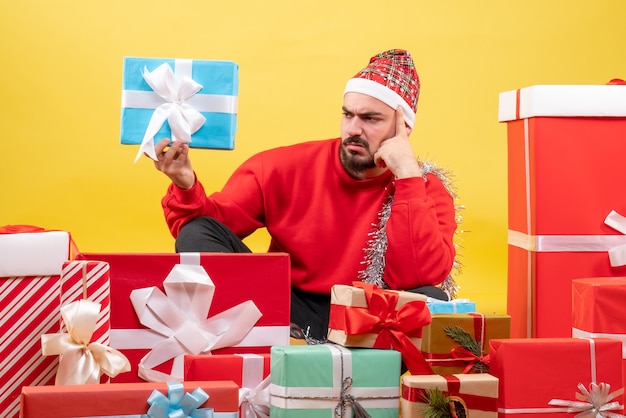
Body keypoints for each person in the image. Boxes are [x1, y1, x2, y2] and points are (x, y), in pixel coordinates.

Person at [151, 49, 458, 340]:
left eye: (370, 119)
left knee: (429, 301)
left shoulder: (424, 187)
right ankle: (277, 336)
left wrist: (406, 176)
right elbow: (204, 233)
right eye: (348, 115)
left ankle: (349, 364)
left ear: (403, 128)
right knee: (196, 233)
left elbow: (418, 276)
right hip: (284, 307)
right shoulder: (283, 167)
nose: (353, 129)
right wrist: (185, 185)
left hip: (368, 317)